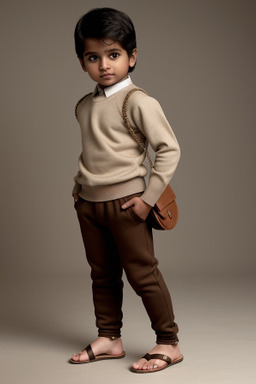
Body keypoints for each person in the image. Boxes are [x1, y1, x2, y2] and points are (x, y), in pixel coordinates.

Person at [70, 7, 183, 374]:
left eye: (114, 54)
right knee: (101, 274)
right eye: (93, 57)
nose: (104, 64)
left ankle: (168, 341)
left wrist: (147, 199)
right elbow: (94, 151)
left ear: (131, 57)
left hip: (126, 205)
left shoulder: (138, 101)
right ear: (83, 62)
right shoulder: (84, 106)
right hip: (89, 204)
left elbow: (169, 149)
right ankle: (109, 337)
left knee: (142, 273)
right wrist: (78, 191)